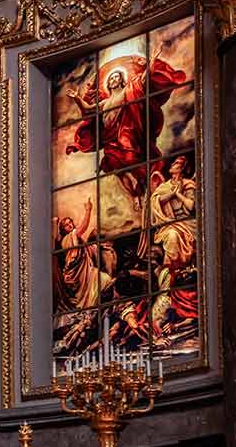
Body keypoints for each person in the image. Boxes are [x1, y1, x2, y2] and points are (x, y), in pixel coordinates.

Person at [66, 47, 187, 210]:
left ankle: (143, 187)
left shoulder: (129, 90)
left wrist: (151, 61)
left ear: (122, 80)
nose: (113, 79)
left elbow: (144, 79)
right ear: (108, 83)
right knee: (117, 168)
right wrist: (77, 98)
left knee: (131, 160)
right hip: (110, 139)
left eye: (116, 76)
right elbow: (87, 110)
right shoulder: (105, 102)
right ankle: (135, 195)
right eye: (111, 78)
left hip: (127, 133)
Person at [52, 197, 113, 311]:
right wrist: (88, 210)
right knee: (104, 280)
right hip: (80, 276)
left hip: (86, 272)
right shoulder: (68, 239)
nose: (70, 225)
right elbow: (83, 227)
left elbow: (87, 249)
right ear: (63, 229)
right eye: (66, 225)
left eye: (70, 222)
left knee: (105, 281)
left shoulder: (76, 239)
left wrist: (97, 246)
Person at [148, 156, 196, 272]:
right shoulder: (164, 187)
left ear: (181, 168)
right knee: (172, 235)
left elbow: (191, 206)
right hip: (169, 224)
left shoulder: (188, 184)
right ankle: (169, 269)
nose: (172, 165)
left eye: (176, 163)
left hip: (188, 224)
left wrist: (178, 194)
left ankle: (174, 269)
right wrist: (172, 193)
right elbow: (155, 201)